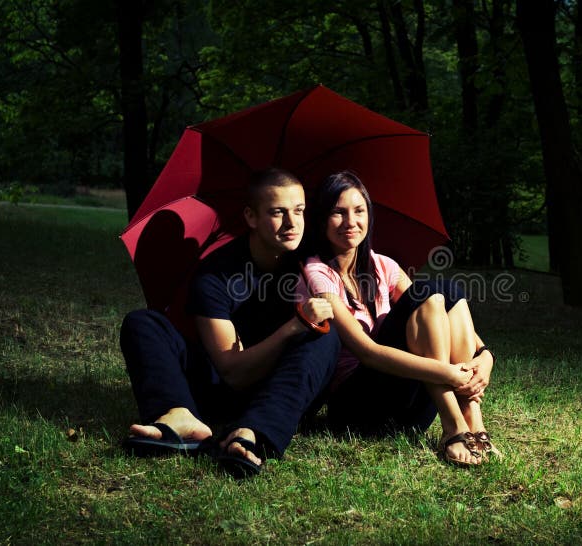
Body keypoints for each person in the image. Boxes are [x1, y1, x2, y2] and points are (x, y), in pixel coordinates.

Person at [119, 168, 340, 477]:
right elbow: (233, 373)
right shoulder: (216, 274)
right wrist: (294, 325)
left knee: (326, 336)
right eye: (278, 212)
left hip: (282, 391)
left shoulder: (311, 261)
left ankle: (251, 432)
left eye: (299, 211)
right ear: (251, 217)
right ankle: (180, 416)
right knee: (143, 323)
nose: (292, 223)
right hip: (222, 386)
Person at [299, 171, 500, 466]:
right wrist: (448, 373)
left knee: (443, 291)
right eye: (338, 213)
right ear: (321, 218)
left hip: (406, 405)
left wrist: (485, 357)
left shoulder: (383, 266)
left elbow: (439, 306)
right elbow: (367, 353)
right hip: (357, 407)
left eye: (359, 211)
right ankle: (453, 428)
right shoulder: (317, 273)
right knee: (429, 291)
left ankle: (475, 424)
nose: (351, 222)